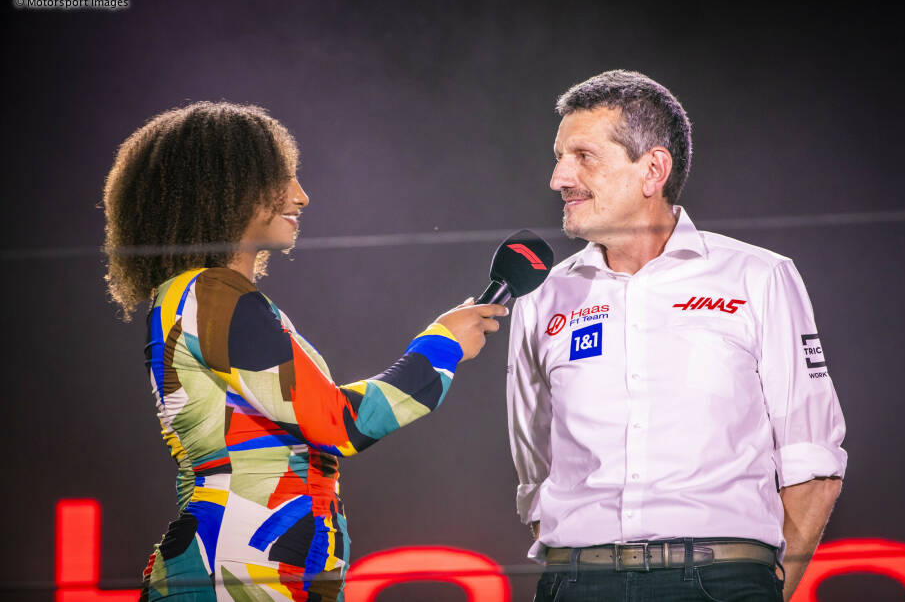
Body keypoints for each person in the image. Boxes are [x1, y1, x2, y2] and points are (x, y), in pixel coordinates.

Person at [102, 101, 507, 601]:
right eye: (282, 178)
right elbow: (337, 425)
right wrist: (440, 347)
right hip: (234, 571)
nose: (302, 196)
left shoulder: (214, 297)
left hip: (266, 567)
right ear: (224, 186)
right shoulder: (211, 294)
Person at [507, 70, 846, 601]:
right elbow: (534, 477)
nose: (558, 178)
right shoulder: (540, 295)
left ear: (653, 170)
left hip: (725, 583)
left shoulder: (759, 276)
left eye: (583, 156)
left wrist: (762, 591)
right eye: (559, 157)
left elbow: (813, 462)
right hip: (576, 583)